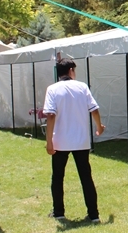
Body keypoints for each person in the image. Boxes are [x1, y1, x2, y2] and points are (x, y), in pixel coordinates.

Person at [44, 57, 105, 223]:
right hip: (81, 140)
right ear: (71, 70)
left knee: (58, 177)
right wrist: (99, 127)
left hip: (60, 141)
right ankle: (93, 214)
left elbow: (50, 115)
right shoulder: (82, 87)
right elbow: (94, 110)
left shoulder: (52, 89)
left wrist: (49, 141)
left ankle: (59, 212)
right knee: (86, 177)